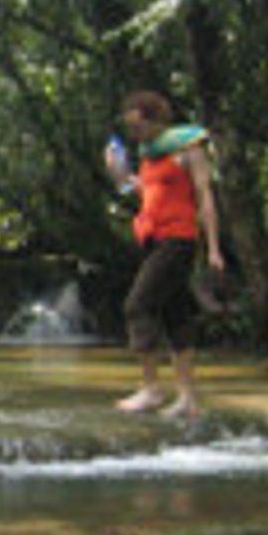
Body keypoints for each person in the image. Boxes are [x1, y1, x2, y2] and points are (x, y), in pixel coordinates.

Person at [105, 90, 224, 418]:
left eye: (138, 127)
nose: (134, 134)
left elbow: (205, 196)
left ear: (156, 121)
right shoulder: (149, 154)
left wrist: (214, 248)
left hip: (178, 239)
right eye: (130, 128)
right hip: (153, 239)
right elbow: (145, 192)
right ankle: (187, 399)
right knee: (175, 314)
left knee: (137, 305)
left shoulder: (188, 149)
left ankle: (151, 390)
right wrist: (119, 174)